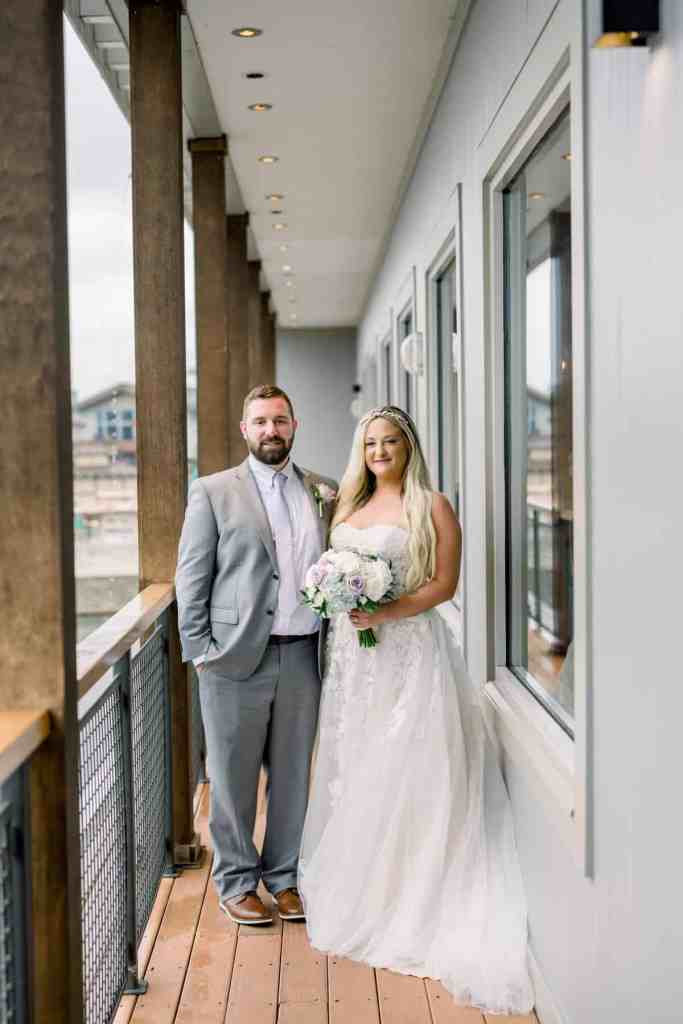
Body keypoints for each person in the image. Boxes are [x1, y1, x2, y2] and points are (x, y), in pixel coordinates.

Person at [298, 405, 534, 1015]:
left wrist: (385, 611)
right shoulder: (348, 507)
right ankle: (368, 885)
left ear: (408, 445)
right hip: (355, 661)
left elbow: (444, 585)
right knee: (360, 762)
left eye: (389, 441)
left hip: (409, 653)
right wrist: (339, 597)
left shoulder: (433, 506)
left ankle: (412, 894)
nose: (379, 451)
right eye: (370, 442)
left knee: (410, 765)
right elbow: (334, 574)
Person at [175, 384, 337, 926]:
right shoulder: (213, 491)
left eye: (280, 420)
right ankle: (238, 880)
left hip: (303, 655)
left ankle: (284, 877)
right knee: (232, 775)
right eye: (261, 421)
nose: (271, 430)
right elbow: (191, 577)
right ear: (245, 430)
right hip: (233, 658)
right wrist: (201, 651)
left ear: (295, 426)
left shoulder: (323, 490)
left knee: (293, 774)